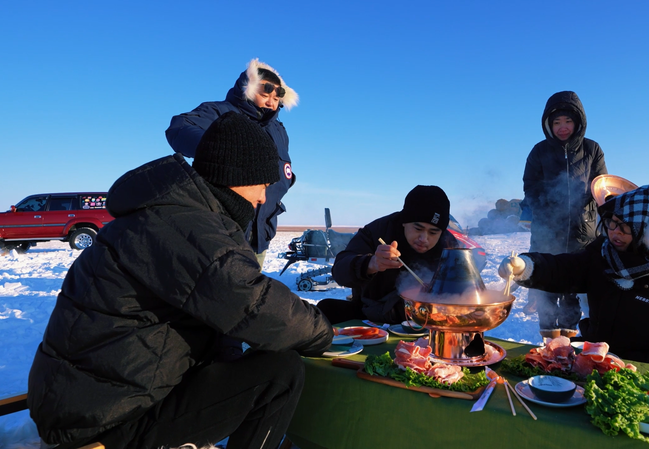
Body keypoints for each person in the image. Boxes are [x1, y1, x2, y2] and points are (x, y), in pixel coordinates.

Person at [28, 112, 333, 449]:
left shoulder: (172, 213)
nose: (263, 198)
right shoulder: (187, 227)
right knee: (281, 374)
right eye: (262, 184)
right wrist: (325, 332)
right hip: (102, 419)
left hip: (90, 399)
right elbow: (254, 303)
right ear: (236, 176)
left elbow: (223, 313)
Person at [500, 183, 649, 387]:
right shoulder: (604, 255)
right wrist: (527, 266)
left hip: (644, 380)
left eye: (625, 227)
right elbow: (567, 269)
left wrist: (621, 371)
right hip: (591, 364)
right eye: (611, 223)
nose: (614, 232)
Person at [166, 58, 299, 268]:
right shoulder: (221, 113)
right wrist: (222, 151)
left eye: (275, 98)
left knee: (248, 295)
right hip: (220, 234)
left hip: (260, 238)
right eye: (265, 95)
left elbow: (284, 172)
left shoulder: (279, 131)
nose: (271, 103)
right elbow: (179, 128)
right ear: (248, 88)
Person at [520, 91, 607, 339]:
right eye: (556, 122)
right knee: (547, 281)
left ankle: (566, 344)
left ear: (578, 122)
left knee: (573, 287)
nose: (562, 127)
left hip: (583, 228)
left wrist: (593, 203)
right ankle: (549, 344)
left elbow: (601, 185)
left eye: (567, 121)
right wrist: (549, 202)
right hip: (548, 227)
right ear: (548, 124)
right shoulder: (539, 151)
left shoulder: (592, 149)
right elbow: (530, 186)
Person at [317, 185, 457, 324]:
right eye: (418, 228)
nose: (424, 238)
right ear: (404, 221)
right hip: (372, 315)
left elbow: (465, 287)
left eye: (433, 232)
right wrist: (370, 264)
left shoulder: (449, 245)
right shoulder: (377, 231)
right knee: (326, 309)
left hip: (431, 319)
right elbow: (340, 272)